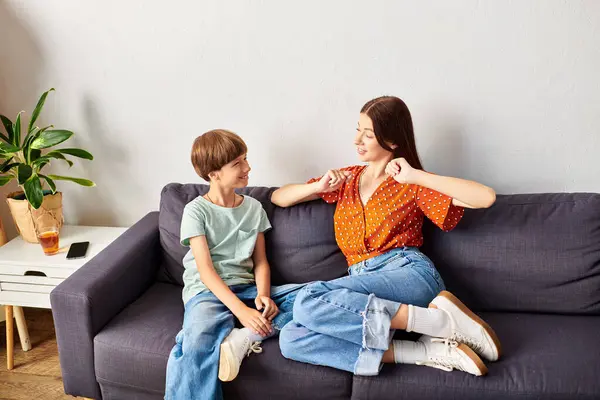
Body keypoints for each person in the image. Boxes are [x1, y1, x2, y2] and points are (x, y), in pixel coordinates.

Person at [272, 96, 501, 377]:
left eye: (368, 134)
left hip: (409, 275)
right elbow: (279, 197)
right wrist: (318, 186)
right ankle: (429, 346)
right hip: (362, 285)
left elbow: (485, 197)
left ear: (392, 142)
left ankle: (441, 323)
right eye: (358, 129)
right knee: (291, 337)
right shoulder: (347, 179)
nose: (357, 140)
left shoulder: (410, 181)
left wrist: (417, 176)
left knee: (308, 299)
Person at [164, 129, 304, 400]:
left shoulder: (253, 208)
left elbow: (260, 262)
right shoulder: (196, 211)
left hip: (248, 289)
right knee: (198, 343)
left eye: (245, 159)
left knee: (311, 297)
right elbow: (205, 271)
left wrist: (263, 295)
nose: (247, 167)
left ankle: (243, 336)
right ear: (213, 173)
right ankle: (214, 331)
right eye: (237, 163)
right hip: (207, 292)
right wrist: (241, 312)